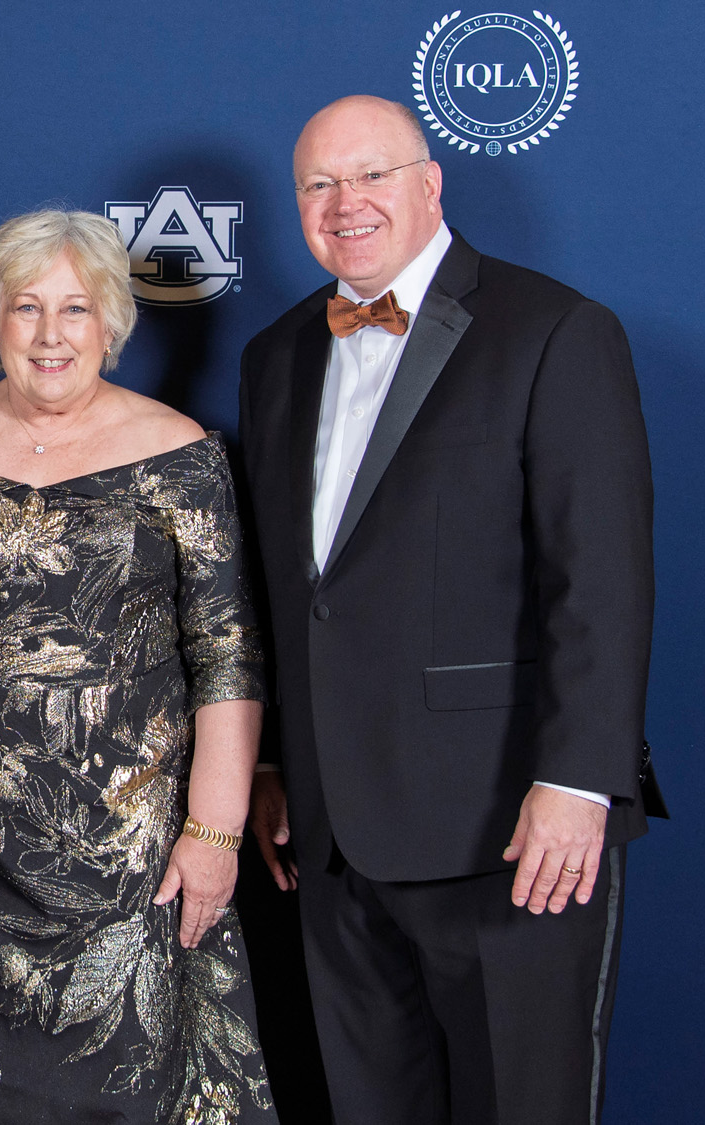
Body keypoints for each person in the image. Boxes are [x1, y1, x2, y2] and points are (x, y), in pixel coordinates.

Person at [237, 96, 659, 1125]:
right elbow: (292, 590)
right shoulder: (276, 352)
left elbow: (596, 580)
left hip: (506, 824)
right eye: (317, 185)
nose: (344, 204)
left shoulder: (553, 330)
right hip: (332, 835)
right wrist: (277, 762)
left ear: (429, 185)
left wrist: (577, 781)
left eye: (370, 175)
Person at [0, 209, 277, 1124]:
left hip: (135, 861)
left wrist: (214, 832)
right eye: (27, 308)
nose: (51, 334)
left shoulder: (181, 455)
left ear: (111, 321)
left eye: (76, 308)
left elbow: (226, 649)